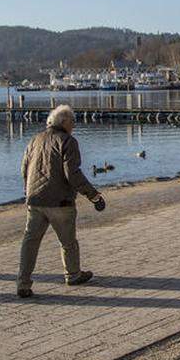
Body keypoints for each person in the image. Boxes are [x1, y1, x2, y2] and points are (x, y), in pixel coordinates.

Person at [16, 104, 106, 298]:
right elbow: (73, 174)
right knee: (68, 242)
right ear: (64, 122)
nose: (74, 126)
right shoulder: (68, 141)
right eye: (73, 122)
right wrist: (94, 196)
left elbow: (24, 168)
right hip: (60, 202)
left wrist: (28, 192)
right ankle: (73, 275)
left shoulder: (34, 140)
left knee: (30, 242)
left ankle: (23, 283)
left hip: (35, 201)